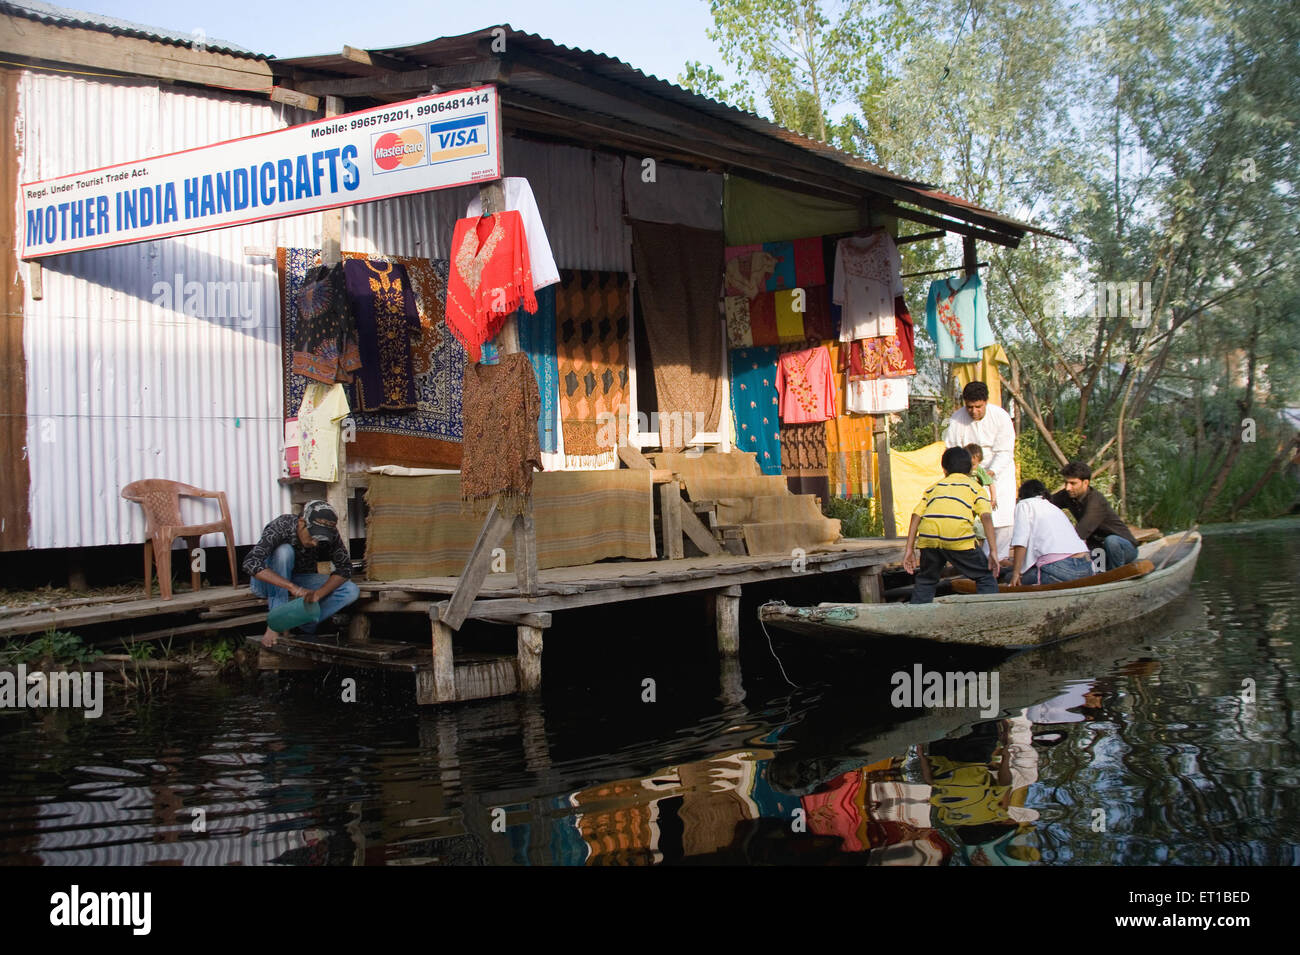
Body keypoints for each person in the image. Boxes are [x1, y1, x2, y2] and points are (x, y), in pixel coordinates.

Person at [243, 500, 359, 647]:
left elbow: (345, 568)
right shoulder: (281, 525)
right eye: (312, 537)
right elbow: (251, 563)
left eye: (319, 539)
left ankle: (305, 622)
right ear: (301, 522)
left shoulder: (330, 531)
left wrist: (319, 594)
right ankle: (276, 623)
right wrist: (293, 588)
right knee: (284, 552)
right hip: (266, 583)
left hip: (299, 579)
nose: (315, 544)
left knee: (350, 590)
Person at [903, 446, 1000, 603]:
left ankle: (917, 616)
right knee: (984, 576)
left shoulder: (933, 488)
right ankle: (990, 615)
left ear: (944, 469)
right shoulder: (975, 488)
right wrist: (994, 551)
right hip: (957, 537)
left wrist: (909, 549)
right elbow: (986, 517)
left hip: (929, 537)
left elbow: (916, 515)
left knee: (926, 580)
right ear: (970, 469)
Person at [943, 381, 1016, 561]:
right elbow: (951, 450)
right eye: (969, 407)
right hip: (968, 474)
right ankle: (977, 560)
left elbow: (1005, 451)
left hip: (999, 473)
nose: (974, 411)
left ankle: (1000, 558)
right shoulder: (956, 419)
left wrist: (989, 474)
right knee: (974, 521)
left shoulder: (1001, 417)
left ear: (986, 402)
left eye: (978, 407)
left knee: (1003, 517)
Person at [1049, 461, 1139, 570]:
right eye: (1066, 483)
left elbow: (1080, 533)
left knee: (1111, 541)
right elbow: (1046, 503)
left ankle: (1117, 574)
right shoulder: (1067, 495)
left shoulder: (1096, 502)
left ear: (1085, 483)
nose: (1068, 488)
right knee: (1091, 557)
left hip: (1125, 549)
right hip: (1100, 549)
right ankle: (1102, 574)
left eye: (1073, 483)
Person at [1008, 480, 1093, 586]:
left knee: (1008, 578)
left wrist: (1016, 573)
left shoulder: (1024, 504)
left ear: (1022, 495)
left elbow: (1020, 542)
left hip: (1061, 569)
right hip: (1086, 566)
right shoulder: (1053, 507)